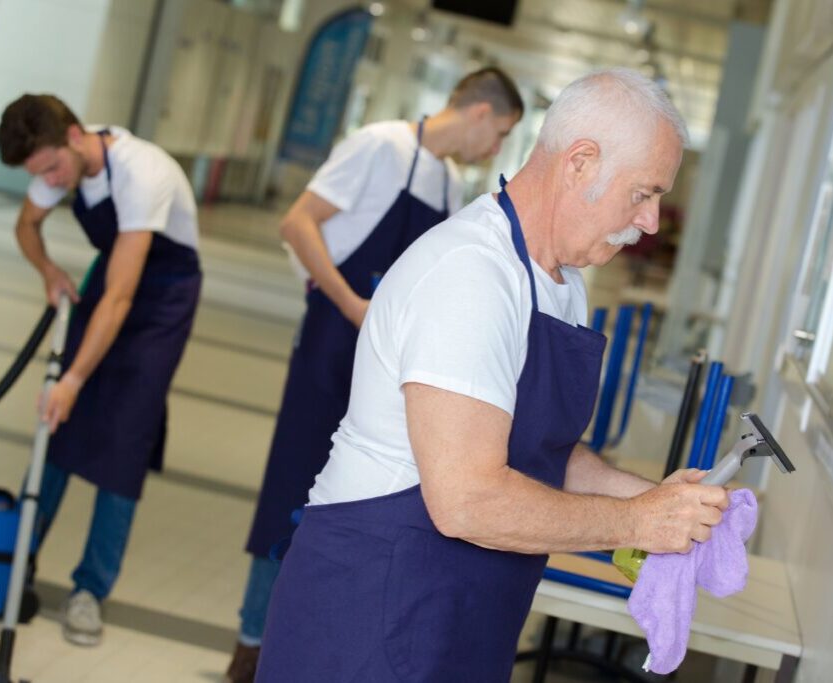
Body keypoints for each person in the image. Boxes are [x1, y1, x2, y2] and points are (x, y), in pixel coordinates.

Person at [255, 67, 731, 682]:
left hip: (464, 608)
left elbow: (536, 448)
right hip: (373, 608)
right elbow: (467, 501)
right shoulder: (471, 275)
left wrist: (652, 498)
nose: (652, 222)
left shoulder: (560, 285)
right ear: (580, 162)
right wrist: (637, 524)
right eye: (644, 193)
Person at [225, 67, 523, 681]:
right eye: (500, 134)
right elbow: (297, 223)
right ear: (478, 114)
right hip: (335, 339)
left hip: (387, 357)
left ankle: (322, 638)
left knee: (364, 496)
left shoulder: (443, 182)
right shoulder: (379, 144)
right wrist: (349, 303)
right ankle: (253, 642)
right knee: (293, 487)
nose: (495, 150)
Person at [0, 94, 201, 646]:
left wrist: (75, 378)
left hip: (161, 300)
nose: (51, 184)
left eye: (53, 170)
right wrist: (47, 270)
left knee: (123, 442)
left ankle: (91, 590)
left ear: (75, 135)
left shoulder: (142, 173)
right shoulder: (57, 160)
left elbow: (120, 298)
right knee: (56, 424)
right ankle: (15, 564)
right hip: (113, 277)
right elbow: (26, 225)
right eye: (39, 175)